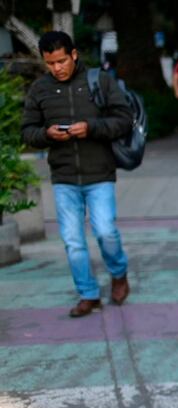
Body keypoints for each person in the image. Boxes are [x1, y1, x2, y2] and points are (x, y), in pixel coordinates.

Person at [21, 31, 132, 318]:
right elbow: (27, 131)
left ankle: (119, 274)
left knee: (106, 232)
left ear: (73, 54)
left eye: (61, 61)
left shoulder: (100, 80)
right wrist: (46, 134)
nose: (57, 68)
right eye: (50, 63)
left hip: (99, 172)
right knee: (72, 241)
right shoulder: (39, 89)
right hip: (64, 176)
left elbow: (124, 120)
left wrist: (91, 127)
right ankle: (88, 294)